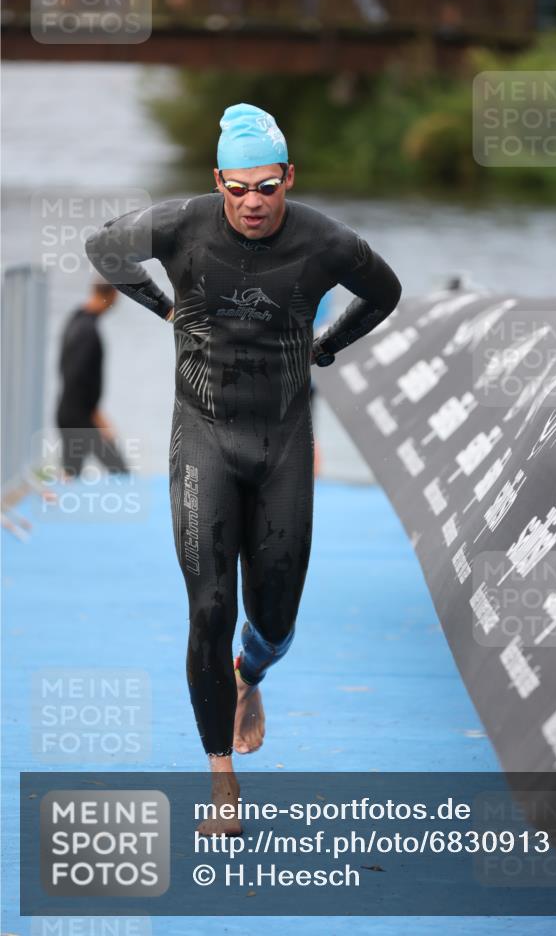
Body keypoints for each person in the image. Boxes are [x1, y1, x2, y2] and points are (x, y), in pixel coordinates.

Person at [84, 102, 402, 832]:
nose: (251, 202)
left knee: (276, 620)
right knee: (209, 608)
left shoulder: (327, 241)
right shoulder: (180, 224)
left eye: (265, 186)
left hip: (282, 442)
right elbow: (103, 246)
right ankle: (221, 782)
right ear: (217, 181)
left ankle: (249, 675)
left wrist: (326, 345)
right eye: (236, 188)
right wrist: (162, 306)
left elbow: (384, 294)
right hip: (203, 435)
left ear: (288, 177)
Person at [56, 280, 130, 478]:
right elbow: (76, 378)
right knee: (121, 473)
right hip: (81, 417)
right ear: (114, 295)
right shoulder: (88, 332)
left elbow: (64, 368)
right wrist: (96, 417)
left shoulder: (76, 318)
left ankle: (59, 490)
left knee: (71, 474)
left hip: (67, 411)